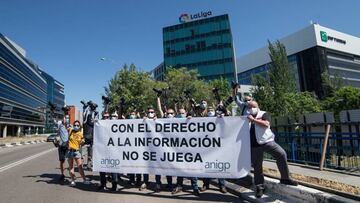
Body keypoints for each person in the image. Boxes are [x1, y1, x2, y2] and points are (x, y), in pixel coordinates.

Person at [247, 101, 298, 198]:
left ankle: (285, 178)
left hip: (267, 142)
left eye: (253, 106)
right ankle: (260, 187)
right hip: (254, 145)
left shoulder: (263, 114)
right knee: (257, 167)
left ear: (257, 107)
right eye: (249, 107)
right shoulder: (246, 117)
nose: (251, 108)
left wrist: (253, 120)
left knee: (281, 154)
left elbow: (266, 124)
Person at [171, 108, 200, 196]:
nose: (181, 115)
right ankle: (179, 186)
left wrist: (191, 120)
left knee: (192, 170)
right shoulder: (174, 121)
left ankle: (195, 187)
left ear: (186, 113)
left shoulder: (191, 120)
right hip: (179, 150)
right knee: (180, 170)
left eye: (183, 113)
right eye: (179, 113)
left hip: (190, 151)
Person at [200, 106, 227, 193]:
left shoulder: (219, 118)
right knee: (206, 167)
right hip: (207, 147)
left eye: (212, 110)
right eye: (209, 110)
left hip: (218, 146)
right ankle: (205, 184)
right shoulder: (203, 119)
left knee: (219, 167)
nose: (210, 111)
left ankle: (222, 186)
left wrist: (223, 116)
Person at [98, 112, 119, 191]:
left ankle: (114, 185)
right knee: (102, 168)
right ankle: (103, 184)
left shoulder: (113, 124)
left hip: (113, 150)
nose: (106, 118)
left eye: (107, 117)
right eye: (104, 117)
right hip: (102, 150)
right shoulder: (99, 125)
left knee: (113, 168)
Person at [67, 120, 91, 186]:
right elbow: (66, 124)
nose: (76, 126)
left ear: (79, 126)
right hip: (70, 151)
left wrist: (83, 141)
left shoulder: (80, 133)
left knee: (80, 167)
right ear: (73, 125)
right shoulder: (70, 131)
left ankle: (84, 180)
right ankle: (72, 181)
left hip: (76, 151)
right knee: (71, 167)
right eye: (75, 125)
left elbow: (81, 142)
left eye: (77, 125)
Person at [139, 107, 156, 191]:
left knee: (157, 166)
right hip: (146, 148)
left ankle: (158, 182)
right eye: (149, 112)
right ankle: (145, 182)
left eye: (152, 112)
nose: (150, 113)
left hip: (157, 148)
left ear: (154, 113)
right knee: (145, 166)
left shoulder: (157, 120)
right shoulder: (144, 120)